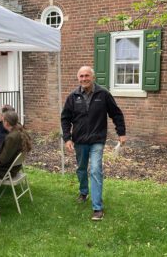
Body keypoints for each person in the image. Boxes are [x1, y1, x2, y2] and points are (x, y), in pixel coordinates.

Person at [61, 66, 126, 221]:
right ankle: (84, 192)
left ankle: (97, 208)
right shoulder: (73, 96)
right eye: (81, 76)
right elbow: (65, 118)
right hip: (80, 140)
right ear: (78, 78)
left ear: (93, 77)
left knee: (96, 170)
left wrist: (121, 132)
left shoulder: (103, 94)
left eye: (87, 76)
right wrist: (67, 138)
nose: (84, 79)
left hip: (97, 139)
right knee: (82, 169)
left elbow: (116, 113)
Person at [0, 111, 31, 181]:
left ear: (6, 122)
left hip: (5, 171)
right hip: (14, 168)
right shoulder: (21, 131)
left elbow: (2, 161)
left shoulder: (11, 137)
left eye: (3, 121)